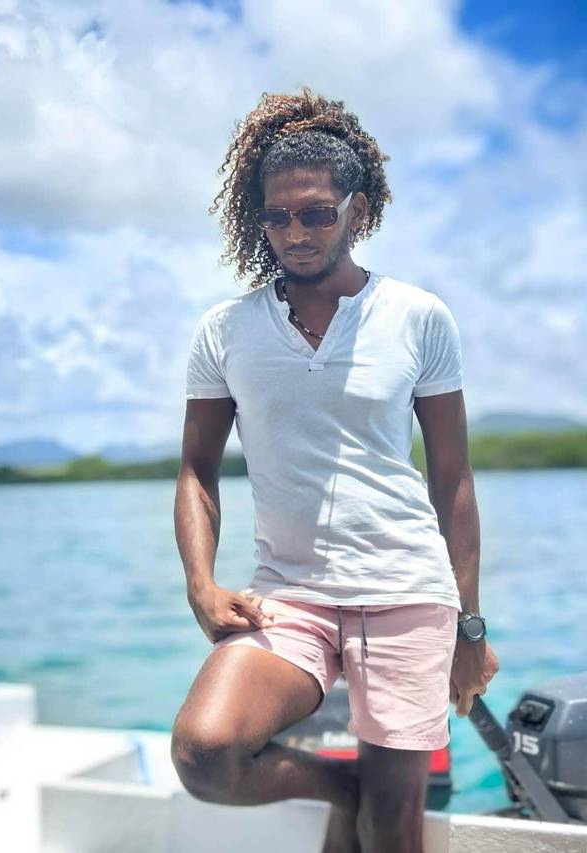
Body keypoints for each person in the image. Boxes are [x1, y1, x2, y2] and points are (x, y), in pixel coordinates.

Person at [171, 86, 499, 853]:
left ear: (357, 210)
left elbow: (452, 480)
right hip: (289, 597)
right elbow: (196, 471)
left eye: (317, 213)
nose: (296, 232)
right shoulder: (225, 331)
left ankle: (372, 805)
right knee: (205, 752)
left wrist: (469, 626)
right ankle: (344, 789)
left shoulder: (418, 317)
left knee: (391, 834)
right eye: (278, 216)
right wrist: (201, 584)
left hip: (406, 589)